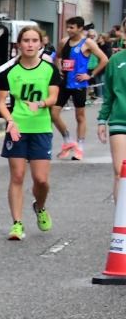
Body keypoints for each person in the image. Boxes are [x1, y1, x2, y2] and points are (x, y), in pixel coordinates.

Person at [0, 26, 61, 241]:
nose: (30, 44)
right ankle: (17, 224)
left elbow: (54, 97)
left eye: (34, 40)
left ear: (40, 44)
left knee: (41, 180)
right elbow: (2, 103)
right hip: (17, 129)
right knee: (17, 176)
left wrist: (41, 103)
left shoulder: (49, 70)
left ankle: (40, 207)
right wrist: (10, 120)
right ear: (19, 44)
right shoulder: (11, 72)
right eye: (26, 40)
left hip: (41, 129)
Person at [52, 16, 109, 160]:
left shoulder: (87, 43)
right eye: (68, 27)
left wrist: (90, 75)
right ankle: (68, 140)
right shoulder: (63, 42)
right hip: (64, 83)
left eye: (72, 27)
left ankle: (80, 147)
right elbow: (57, 56)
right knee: (53, 113)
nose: (69, 30)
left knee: (80, 116)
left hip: (79, 84)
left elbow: (104, 60)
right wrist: (58, 68)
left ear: (80, 28)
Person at [98, 34, 126, 199]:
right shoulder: (115, 61)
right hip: (120, 123)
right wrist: (102, 120)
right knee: (120, 173)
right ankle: (121, 221)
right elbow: (108, 95)